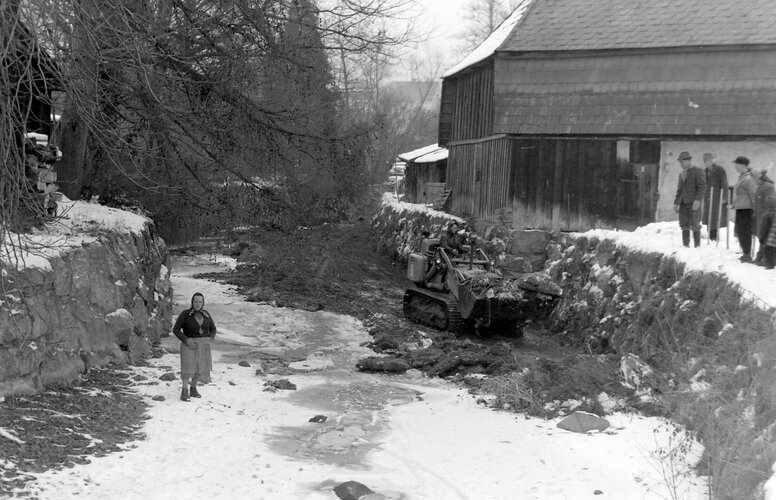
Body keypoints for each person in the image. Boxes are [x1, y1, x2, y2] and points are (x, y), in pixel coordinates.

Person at [172, 292, 217, 401]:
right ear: (192, 302)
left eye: (200, 302)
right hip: (188, 344)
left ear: (203, 303)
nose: (197, 304)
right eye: (195, 301)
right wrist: (186, 340)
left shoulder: (206, 314)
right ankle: (184, 391)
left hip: (203, 346)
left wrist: (210, 338)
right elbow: (176, 330)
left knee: (199, 367)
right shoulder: (185, 314)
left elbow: (213, 329)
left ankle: (193, 388)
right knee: (187, 367)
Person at [673, 151, 706, 248]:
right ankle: (686, 245)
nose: (681, 164)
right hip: (683, 203)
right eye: (680, 162)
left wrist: (698, 200)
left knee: (695, 224)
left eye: (682, 162)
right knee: (684, 224)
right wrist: (676, 203)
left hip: (693, 203)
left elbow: (702, 187)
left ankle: (697, 246)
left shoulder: (698, 171)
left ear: (689, 161)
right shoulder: (681, 174)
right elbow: (679, 190)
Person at [730, 156, 758, 262]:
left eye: (736, 164)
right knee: (740, 230)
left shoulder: (748, 179)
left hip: (747, 209)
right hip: (740, 208)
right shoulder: (741, 177)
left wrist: (755, 209)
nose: (735, 166)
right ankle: (745, 252)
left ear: (742, 165)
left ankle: (747, 254)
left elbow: (753, 194)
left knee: (745, 231)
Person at [701, 153, 728, 242]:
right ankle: (710, 236)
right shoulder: (705, 171)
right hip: (708, 197)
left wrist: (724, 197)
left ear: (713, 160)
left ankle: (714, 238)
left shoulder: (719, 170)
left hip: (716, 197)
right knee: (708, 217)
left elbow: (724, 183)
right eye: (705, 161)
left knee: (714, 218)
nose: (707, 162)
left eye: (709, 160)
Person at [754, 170, 776, 264]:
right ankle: (760, 257)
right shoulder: (760, 187)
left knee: (767, 238)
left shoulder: (768, 187)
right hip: (761, 216)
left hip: (769, 217)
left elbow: (770, 202)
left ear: (758, 177)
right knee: (762, 236)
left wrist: (767, 215)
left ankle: (765, 259)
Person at [758, 196, 776, 269]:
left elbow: (763, 228)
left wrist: (761, 238)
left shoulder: (766, 215)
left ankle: (769, 266)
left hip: (769, 239)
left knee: (767, 252)